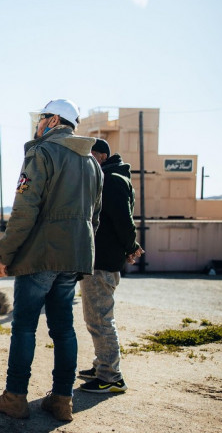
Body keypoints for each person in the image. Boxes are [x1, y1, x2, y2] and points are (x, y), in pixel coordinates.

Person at [0, 99, 102, 422]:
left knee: (24, 327)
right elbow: (95, 217)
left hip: (40, 256)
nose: (36, 125)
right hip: (74, 257)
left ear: (53, 120)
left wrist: (5, 254)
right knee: (63, 329)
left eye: (40, 119)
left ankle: (15, 397)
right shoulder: (92, 163)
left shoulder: (42, 152)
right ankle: (62, 399)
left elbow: (25, 209)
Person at [78, 139, 143, 393]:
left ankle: (111, 377)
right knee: (95, 317)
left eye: (91, 156)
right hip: (101, 259)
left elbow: (123, 220)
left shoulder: (112, 180)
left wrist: (131, 246)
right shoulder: (111, 177)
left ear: (102, 156)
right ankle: (101, 366)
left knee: (101, 319)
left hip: (103, 261)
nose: (87, 161)